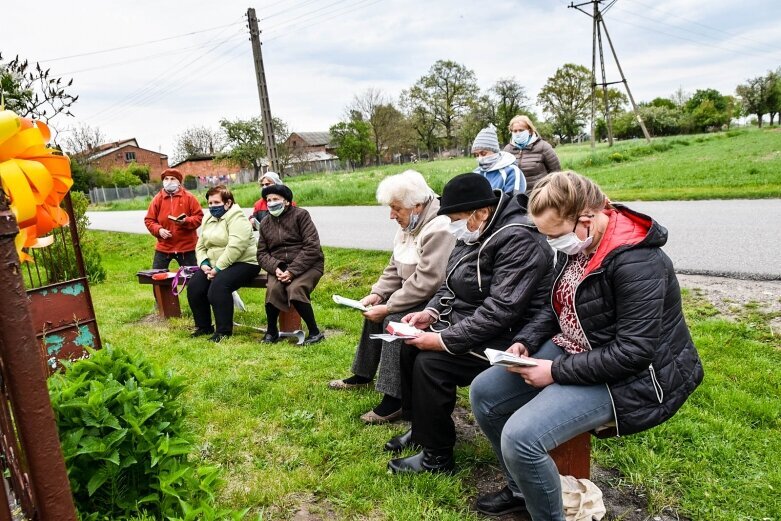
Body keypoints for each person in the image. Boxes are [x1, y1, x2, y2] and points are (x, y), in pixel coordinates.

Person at [470, 171, 704, 519]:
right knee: (484, 393)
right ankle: (523, 488)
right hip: (578, 347)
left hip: (630, 377)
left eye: (556, 235)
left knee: (522, 439)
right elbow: (557, 304)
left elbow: (634, 353)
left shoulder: (638, 261)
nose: (553, 244)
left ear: (588, 217)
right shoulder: (579, 244)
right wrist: (524, 342)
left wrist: (554, 371)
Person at [384, 173, 555, 475]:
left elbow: (501, 310)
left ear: (482, 212)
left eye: (457, 219)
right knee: (409, 349)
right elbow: (449, 283)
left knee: (431, 364)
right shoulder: (473, 232)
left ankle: (437, 457)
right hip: (474, 322)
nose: (453, 226)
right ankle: (423, 432)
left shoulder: (519, 239)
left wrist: (443, 340)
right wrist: (431, 314)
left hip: (510, 335)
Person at [328, 170, 455, 424]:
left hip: (436, 300)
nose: (391, 215)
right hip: (415, 293)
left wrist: (388, 307)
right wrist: (378, 293)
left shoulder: (439, 227)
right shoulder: (409, 224)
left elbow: (428, 281)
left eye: (396, 208)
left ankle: (393, 398)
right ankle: (362, 374)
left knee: (394, 320)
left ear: (417, 205)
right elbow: (394, 267)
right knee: (372, 313)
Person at [188, 185, 260, 343]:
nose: (212, 206)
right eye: (210, 203)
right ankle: (204, 327)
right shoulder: (208, 217)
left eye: (216, 202)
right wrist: (204, 264)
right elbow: (200, 245)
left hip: (244, 262)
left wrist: (218, 269)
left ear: (228, 203)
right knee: (195, 286)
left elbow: (236, 247)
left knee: (219, 287)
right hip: (214, 264)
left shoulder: (237, 218)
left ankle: (223, 331)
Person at [256, 184, 325, 345]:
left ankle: (315, 332)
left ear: (286, 201)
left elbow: (312, 247)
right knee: (273, 290)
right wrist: (276, 268)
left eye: (275, 199)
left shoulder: (301, 215)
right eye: (268, 200)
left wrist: (292, 271)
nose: (271, 203)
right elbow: (262, 253)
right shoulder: (265, 223)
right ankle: (271, 331)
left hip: (309, 264)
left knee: (295, 288)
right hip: (279, 267)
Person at [143, 168, 203, 269]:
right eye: (166, 179)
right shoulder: (157, 199)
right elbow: (149, 220)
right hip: (164, 246)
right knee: (157, 278)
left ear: (179, 182)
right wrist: (159, 230)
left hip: (187, 247)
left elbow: (199, 217)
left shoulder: (189, 198)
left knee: (192, 279)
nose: (169, 181)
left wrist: (186, 221)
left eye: (172, 179)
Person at [503, 115, 561, 193]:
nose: (518, 133)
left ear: (530, 131)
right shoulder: (507, 150)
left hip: (539, 195)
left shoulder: (544, 147)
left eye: (521, 130)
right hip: (516, 197)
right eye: (515, 131)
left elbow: (556, 173)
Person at [471, 125, 526, 194]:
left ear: (495, 152)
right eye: (476, 155)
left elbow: (514, 201)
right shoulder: (476, 173)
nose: (480, 158)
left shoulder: (511, 172)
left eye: (483, 153)